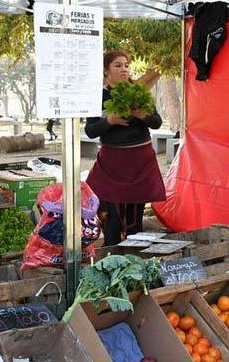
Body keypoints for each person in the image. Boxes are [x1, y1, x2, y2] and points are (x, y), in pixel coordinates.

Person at [85, 50, 165, 246]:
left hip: (140, 162)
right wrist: (110, 120)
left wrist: (140, 115)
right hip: (112, 164)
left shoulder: (139, 91)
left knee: (135, 218)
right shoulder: (98, 95)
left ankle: (135, 260)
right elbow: (91, 130)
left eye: (126, 65)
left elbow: (156, 122)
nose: (124, 69)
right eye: (118, 65)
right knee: (112, 216)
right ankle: (111, 256)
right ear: (106, 70)